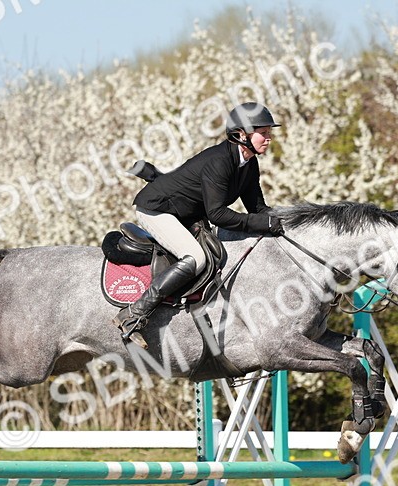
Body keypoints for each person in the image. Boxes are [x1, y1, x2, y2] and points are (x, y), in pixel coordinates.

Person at [113, 102, 285, 348]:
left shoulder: (249, 164)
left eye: (269, 133)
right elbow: (217, 215)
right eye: (264, 133)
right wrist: (261, 222)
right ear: (241, 134)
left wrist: (286, 222)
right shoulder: (220, 162)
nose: (269, 139)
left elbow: (257, 209)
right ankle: (133, 314)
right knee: (195, 258)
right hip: (157, 209)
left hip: (185, 212)